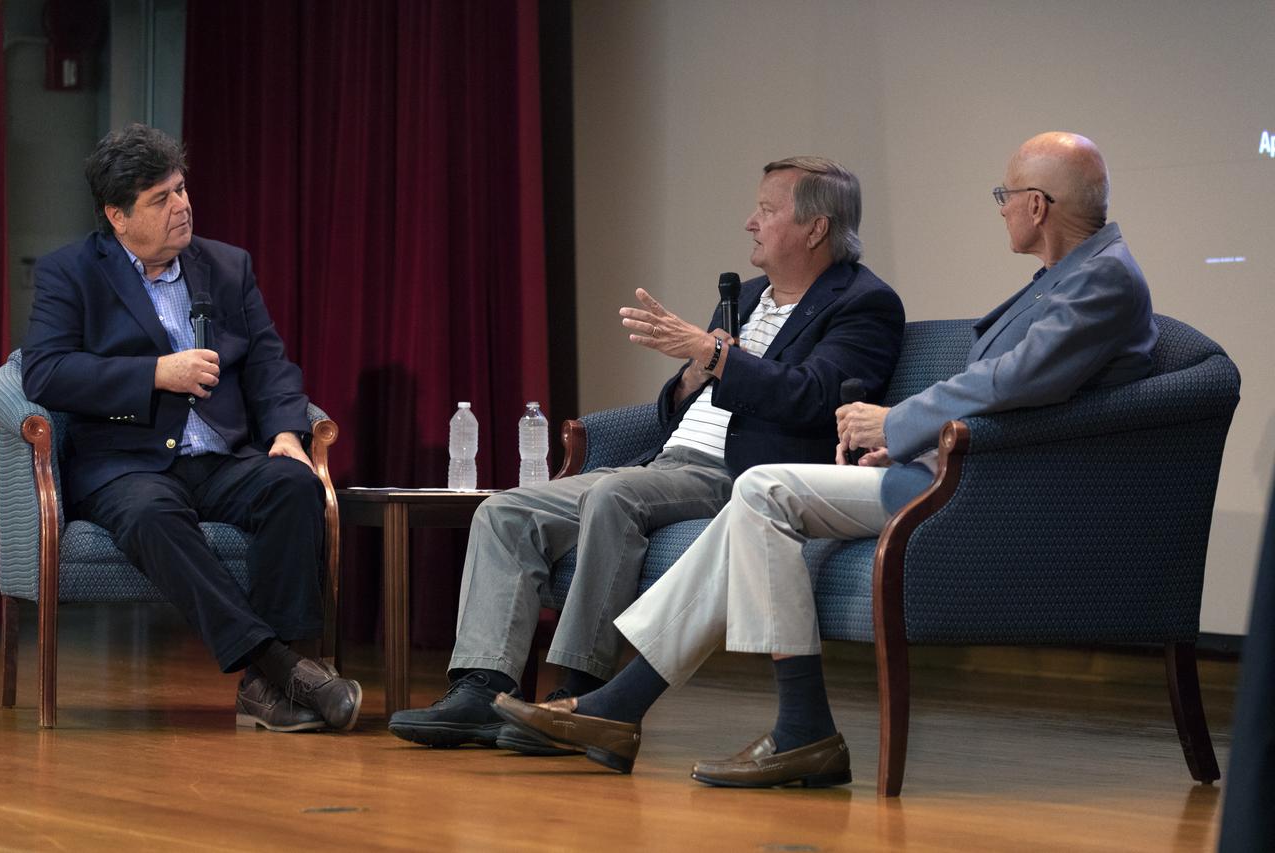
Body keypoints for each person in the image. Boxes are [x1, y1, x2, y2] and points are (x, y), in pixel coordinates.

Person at [492, 131, 1160, 786]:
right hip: (947, 467)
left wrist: (899, 424)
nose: (1003, 207)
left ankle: (762, 721)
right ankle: (664, 711)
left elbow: (1010, 382)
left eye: (1005, 195)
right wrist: (900, 442)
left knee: (761, 489)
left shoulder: (1102, 281)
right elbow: (1004, 389)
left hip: (991, 486)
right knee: (760, 495)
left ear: (1038, 206)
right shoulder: (1069, 276)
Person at [388, 156, 906, 750]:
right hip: (671, 463)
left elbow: (813, 397)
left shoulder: (863, 303)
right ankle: (481, 688)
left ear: (816, 227)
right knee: (505, 511)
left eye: (767, 210)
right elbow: (686, 403)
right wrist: (692, 372)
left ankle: (576, 696)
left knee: (614, 494)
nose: (750, 222)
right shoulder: (750, 297)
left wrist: (716, 358)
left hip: (742, 475)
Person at [20, 124, 362, 733]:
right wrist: (155, 373)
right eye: (161, 198)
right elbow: (47, 372)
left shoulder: (226, 266)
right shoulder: (69, 273)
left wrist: (287, 432)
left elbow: (267, 362)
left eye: (181, 190)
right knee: (153, 517)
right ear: (117, 216)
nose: (182, 207)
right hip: (125, 461)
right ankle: (281, 664)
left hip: (221, 454)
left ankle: (266, 689)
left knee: (294, 486)